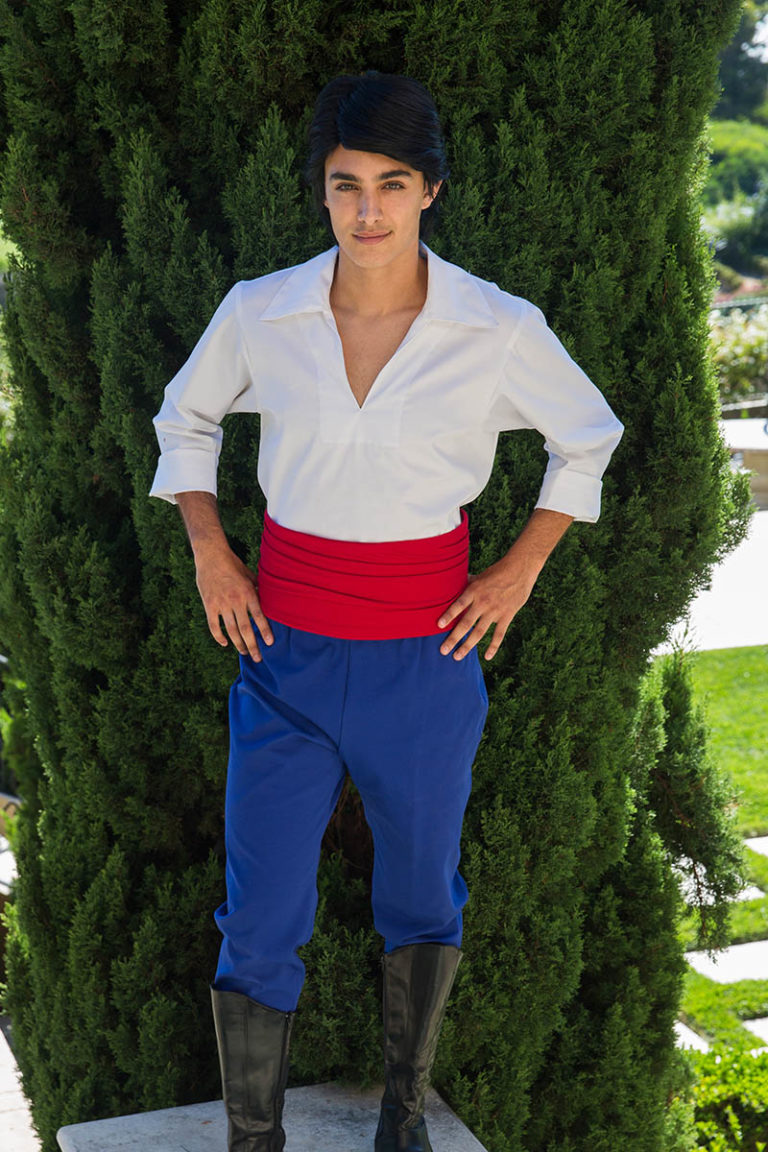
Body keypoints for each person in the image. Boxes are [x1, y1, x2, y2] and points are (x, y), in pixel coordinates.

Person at [149, 70, 624, 1152]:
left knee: (420, 895)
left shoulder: (495, 326)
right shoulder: (260, 311)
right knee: (260, 910)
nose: (367, 211)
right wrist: (212, 550)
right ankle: (253, 1140)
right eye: (345, 185)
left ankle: (403, 1123)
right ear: (321, 191)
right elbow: (185, 419)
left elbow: (588, 438)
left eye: (392, 185)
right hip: (285, 657)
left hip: (425, 661)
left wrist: (518, 571)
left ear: (430, 190)